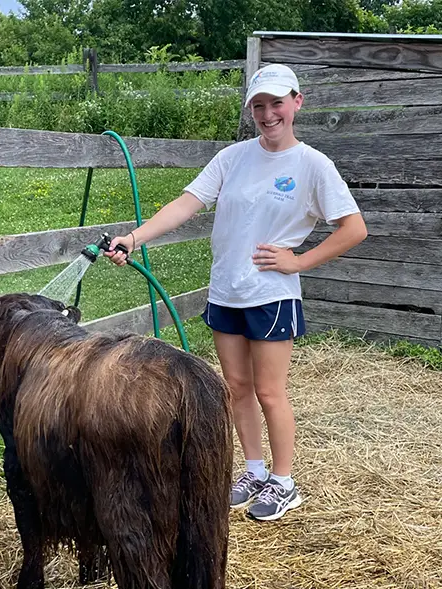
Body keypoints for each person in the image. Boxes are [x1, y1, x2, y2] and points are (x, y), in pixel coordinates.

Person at [104, 63, 367, 521]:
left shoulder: (312, 165)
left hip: (272, 295)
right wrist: (133, 237)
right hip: (226, 290)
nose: (268, 114)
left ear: (297, 102)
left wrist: (299, 261)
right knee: (237, 388)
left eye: (277, 103)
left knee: (270, 391)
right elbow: (185, 204)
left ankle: (284, 482)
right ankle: (254, 471)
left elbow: (354, 228)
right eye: (258, 106)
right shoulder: (233, 157)